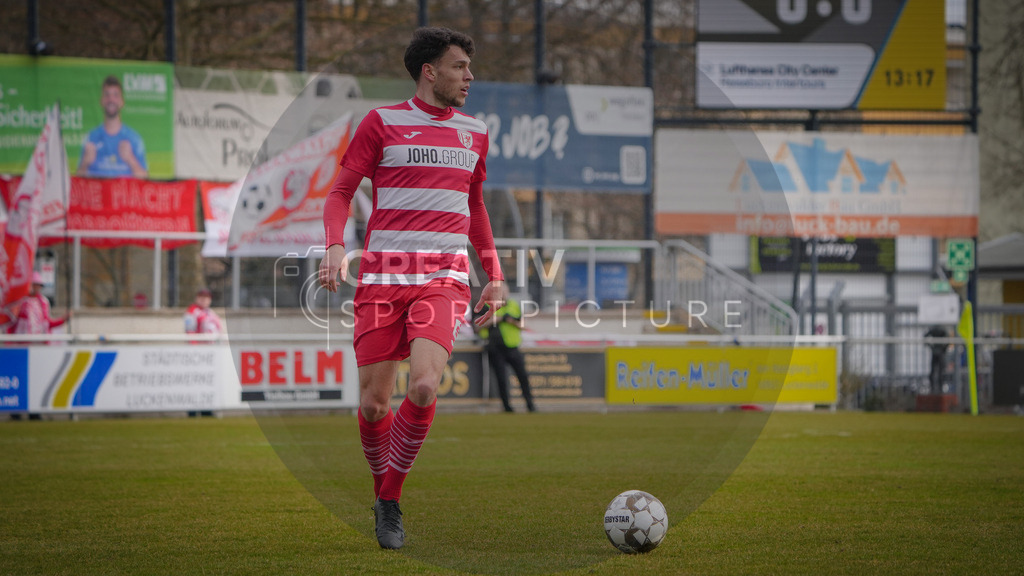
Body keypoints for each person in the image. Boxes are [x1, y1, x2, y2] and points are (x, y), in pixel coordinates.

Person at [319, 26, 504, 550]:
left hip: (443, 279)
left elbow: (475, 209)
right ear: (430, 72)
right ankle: (382, 495)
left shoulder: (475, 131)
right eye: (459, 67)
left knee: (423, 387)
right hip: (381, 279)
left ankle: (392, 500)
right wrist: (336, 245)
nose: (469, 76)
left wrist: (495, 276)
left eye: (469, 66)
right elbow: (339, 194)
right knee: (376, 405)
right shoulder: (381, 123)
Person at [476, 287, 537, 413]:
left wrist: (510, 320)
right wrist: (499, 319)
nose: (503, 294)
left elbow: (523, 325)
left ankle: (530, 405)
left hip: (513, 346)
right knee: (502, 379)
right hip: (495, 347)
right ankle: (507, 406)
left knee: (523, 377)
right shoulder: (487, 306)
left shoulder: (513, 305)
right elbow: (477, 326)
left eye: (505, 292)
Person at [77, 75, 148, 179]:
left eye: (116, 95)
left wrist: (131, 160)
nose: (111, 99)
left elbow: (146, 179)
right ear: (101, 101)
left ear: (122, 102)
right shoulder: (91, 138)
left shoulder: (134, 139)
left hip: (124, 195)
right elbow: (77, 182)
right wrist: (85, 163)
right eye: (107, 95)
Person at [9, 272, 69, 336]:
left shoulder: (44, 302)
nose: (36, 287)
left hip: (40, 341)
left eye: (38, 285)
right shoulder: (20, 301)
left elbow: (47, 323)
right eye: (34, 285)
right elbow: (11, 322)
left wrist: (62, 320)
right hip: (22, 341)